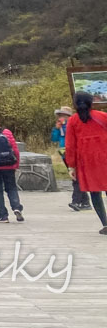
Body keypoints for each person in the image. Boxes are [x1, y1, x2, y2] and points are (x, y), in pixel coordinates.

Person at [64, 91, 107, 235]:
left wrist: (71, 166)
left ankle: (105, 223)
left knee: (95, 193)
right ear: (91, 102)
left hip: (87, 161)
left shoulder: (73, 121)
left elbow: (70, 145)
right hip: (105, 157)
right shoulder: (103, 116)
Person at [52, 106, 90, 211]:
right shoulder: (59, 127)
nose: (60, 117)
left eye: (63, 115)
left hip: (75, 153)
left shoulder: (74, 124)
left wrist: (65, 127)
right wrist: (57, 129)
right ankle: (85, 202)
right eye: (59, 115)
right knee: (75, 177)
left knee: (76, 178)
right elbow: (54, 139)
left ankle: (76, 201)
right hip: (64, 154)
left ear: (68, 116)